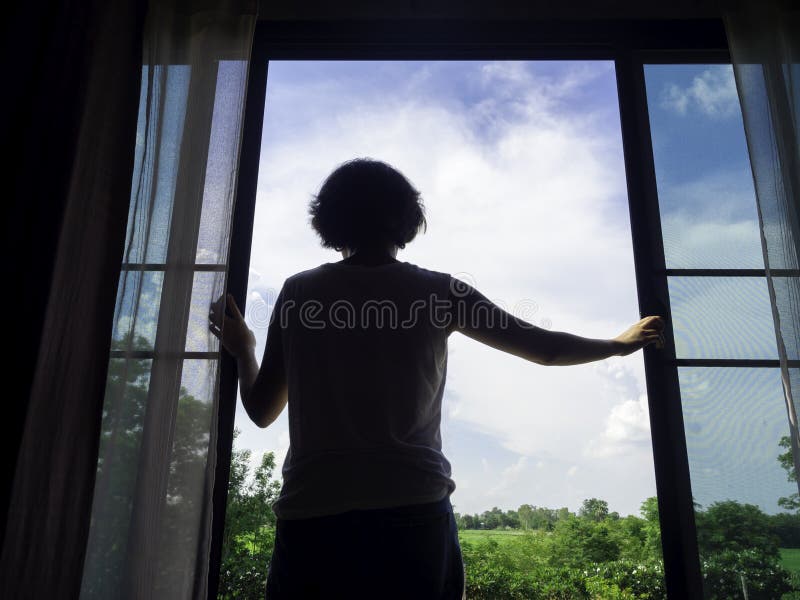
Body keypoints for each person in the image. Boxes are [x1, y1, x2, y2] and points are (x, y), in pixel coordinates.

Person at [209, 158, 665, 599]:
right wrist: (617, 345)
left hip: (315, 511)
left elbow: (263, 410)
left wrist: (244, 349)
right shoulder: (441, 291)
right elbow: (544, 348)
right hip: (412, 505)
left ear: (327, 221)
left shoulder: (298, 293)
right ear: (407, 218)